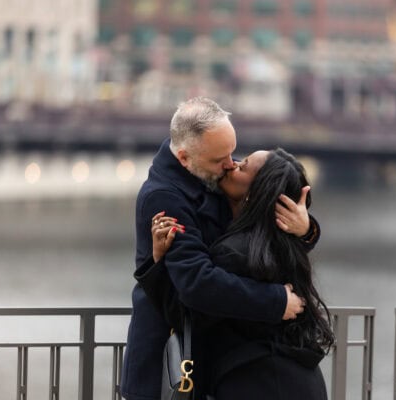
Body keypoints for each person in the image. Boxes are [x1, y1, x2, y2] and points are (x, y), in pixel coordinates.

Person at [121, 97, 320, 400]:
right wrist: (275, 301)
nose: (231, 164)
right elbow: (198, 282)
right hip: (171, 353)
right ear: (186, 158)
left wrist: (305, 229)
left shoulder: (211, 166)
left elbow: (266, 204)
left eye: (232, 153)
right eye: (221, 160)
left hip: (214, 352)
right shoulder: (164, 198)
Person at [146, 148, 334, 399]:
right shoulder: (284, 244)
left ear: (255, 192)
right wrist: (308, 229)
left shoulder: (235, 253)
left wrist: (159, 264)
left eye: (243, 166)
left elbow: (187, 317)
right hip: (301, 382)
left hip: (257, 384)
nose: (232, 164)